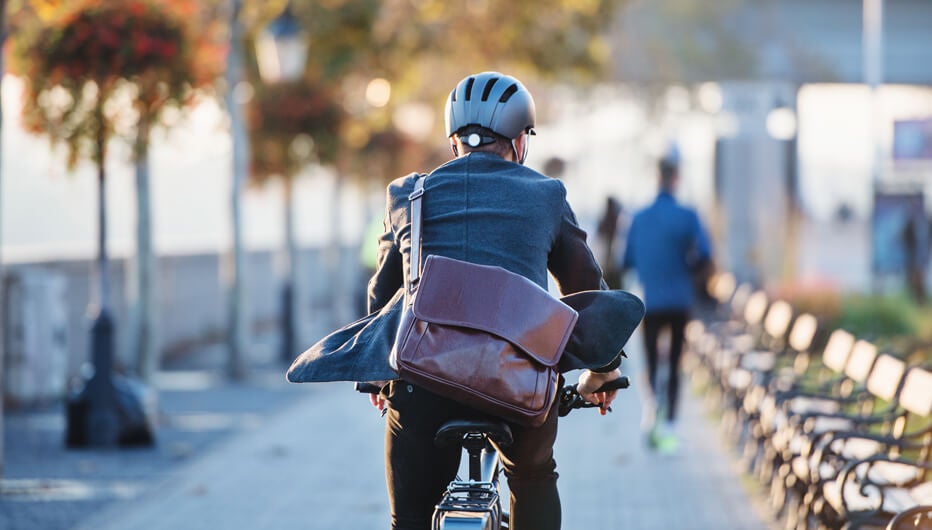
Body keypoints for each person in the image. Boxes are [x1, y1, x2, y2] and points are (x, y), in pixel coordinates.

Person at [366, 72, 624, 530]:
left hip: (423, 385)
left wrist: (377, 379)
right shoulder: (547, 195)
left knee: (408, 518)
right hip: (518, 385)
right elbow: (586, 292)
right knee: (533, 477)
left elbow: (382, 298)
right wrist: (602, 371)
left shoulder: (408, 194)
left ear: (453, 143)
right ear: (521, 141)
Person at [622, 146, 712, 453]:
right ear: (676, 178)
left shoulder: (639, 218)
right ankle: (671, 424)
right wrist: (686, 266)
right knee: (674, 362)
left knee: (648, 360)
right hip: (679, 299)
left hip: (649, 301)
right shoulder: (688, 216)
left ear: (657, 177)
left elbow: (628, 260)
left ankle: (651, 411)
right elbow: (705, 256)